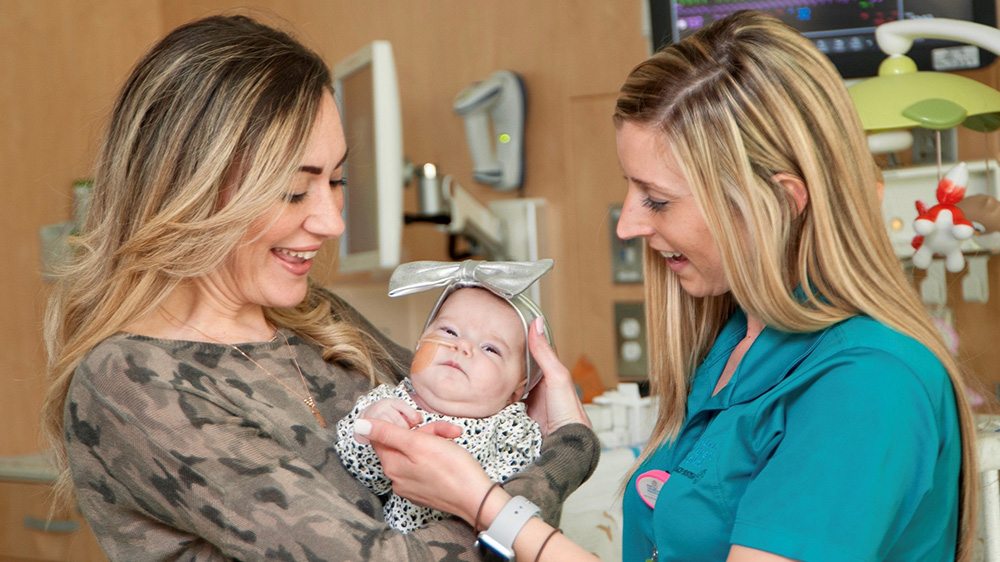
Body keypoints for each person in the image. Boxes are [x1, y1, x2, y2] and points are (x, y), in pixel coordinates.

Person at [357, 10, 979, 562]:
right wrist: (561, 439)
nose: (628, 224)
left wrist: (486, 505)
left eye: (657, 199)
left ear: (782, 204)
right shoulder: (739, 342)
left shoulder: (867, 388)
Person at [39, 14, 600, 561]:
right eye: (293, 191)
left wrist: (524, 418)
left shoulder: (312, 315)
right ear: (191, 188)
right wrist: (565, 452)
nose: (331, 222)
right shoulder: (133, 383)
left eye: (336, 181)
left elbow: (477, 422)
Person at [336, 259, 554, 533]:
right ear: (418, 343)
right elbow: (365, 479)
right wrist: (366, 434)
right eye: (449, 331)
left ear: (517, 389)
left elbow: (529, 490)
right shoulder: (388, 404)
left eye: (490, 349)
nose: (461, 346)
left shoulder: (511, 428)